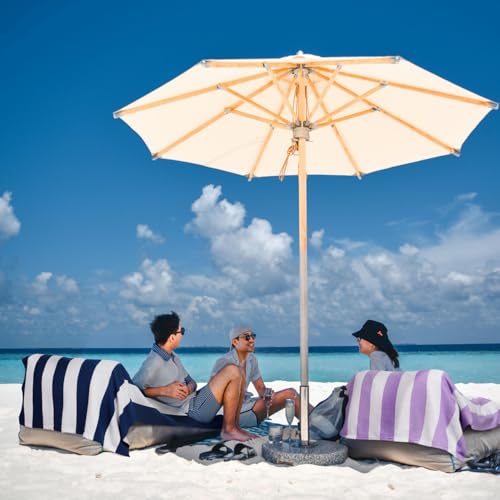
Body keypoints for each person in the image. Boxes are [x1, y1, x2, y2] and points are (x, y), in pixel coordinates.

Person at [133, 312, 256, 442]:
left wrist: (188, 388)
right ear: (172, 337)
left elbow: (192, 382)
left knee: (239, 372)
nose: (183, 334)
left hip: (195, 399)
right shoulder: (153, 363)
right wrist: (165, 390)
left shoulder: (172, 356)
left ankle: (235, 427)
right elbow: (133, 389)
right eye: (181, 331)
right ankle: (229, 430)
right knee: (232, 370)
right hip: (191, 411)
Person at [210, 326, 310, 428]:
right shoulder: (225, 361)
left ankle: (315, 420)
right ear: (235, 342)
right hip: (229, 414)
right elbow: (211, 395)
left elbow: (261, 388)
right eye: (247, 337)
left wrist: (266, 393)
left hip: (247, 406)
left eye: (253, 336)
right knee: (290, 394)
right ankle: (315, 422)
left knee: (291, 394)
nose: (252, 340)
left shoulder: (251, 359)